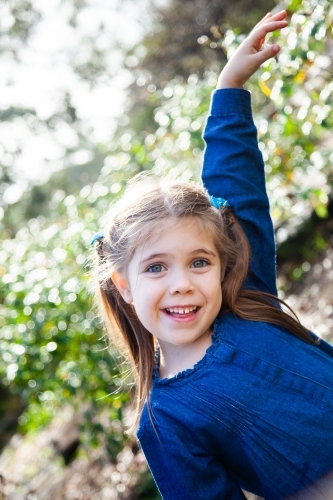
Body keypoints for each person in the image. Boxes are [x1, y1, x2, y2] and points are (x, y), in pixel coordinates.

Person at [91, 10, 333, 500]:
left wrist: (230, 88)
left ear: (224, 263)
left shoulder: (247, 300)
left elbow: (238, 190)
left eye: (199, 262)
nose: (182, 282)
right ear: (123, 283)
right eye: (156, 267)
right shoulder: (166, 420)